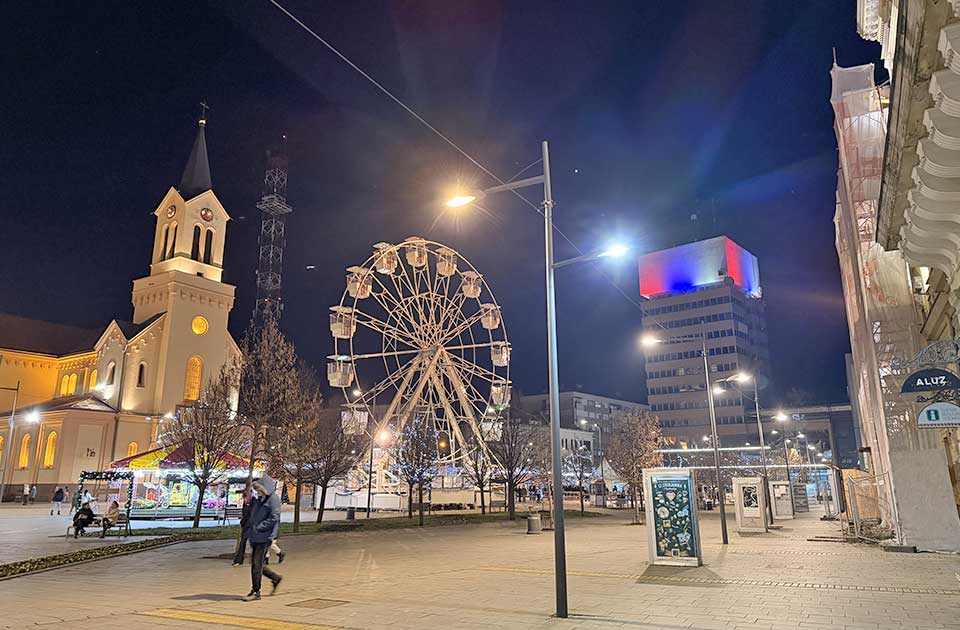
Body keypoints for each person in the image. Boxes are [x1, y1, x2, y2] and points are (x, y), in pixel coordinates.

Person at [243, 475, 282, 601]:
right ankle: (275, 578)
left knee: (256, 563)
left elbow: (274, 518)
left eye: (259, 489)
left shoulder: (273, 499)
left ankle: (256, 591)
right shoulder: (259, 499)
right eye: (257, 490)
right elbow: (252, 514)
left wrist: (259, 527)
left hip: (264, 536)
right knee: (256, 563)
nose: (258, 492)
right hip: (255, 536)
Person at [232, 488, 254, 566]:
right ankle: (238, 560)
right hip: (246, 526)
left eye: (245, 498)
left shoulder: (254, 504)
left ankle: (261, 558)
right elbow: (245, 515)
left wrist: (244, 521)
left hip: (252, 526)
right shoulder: (246, 504)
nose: (244, 499)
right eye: (244, 498)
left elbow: (249, 516)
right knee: (243, 543)